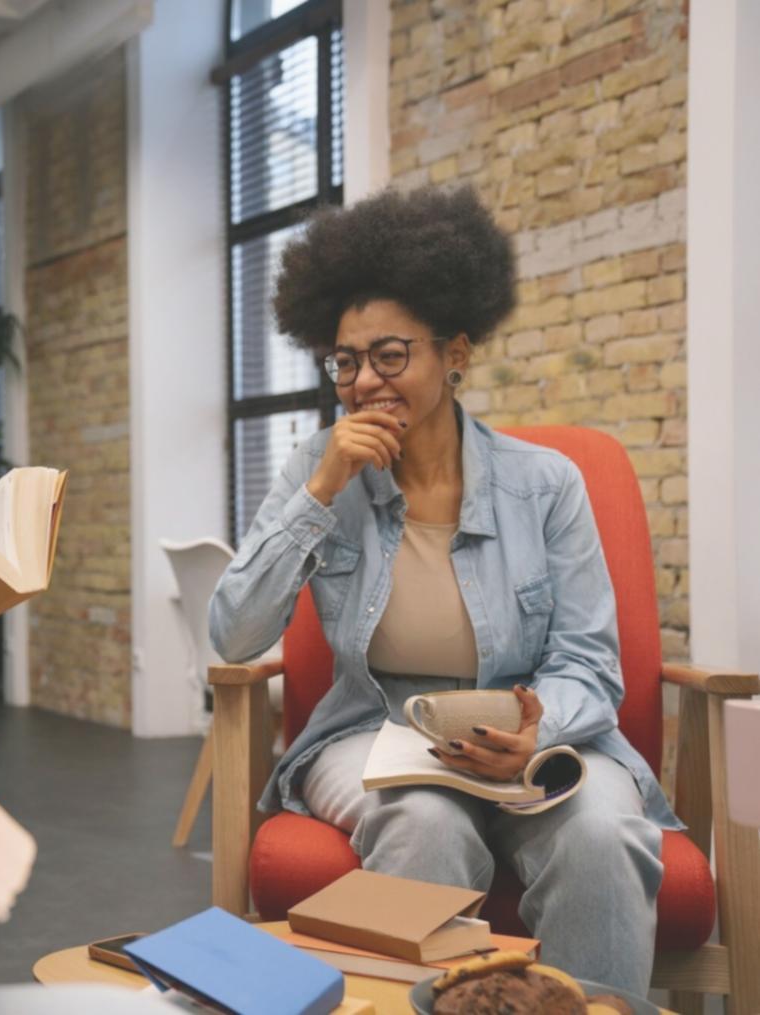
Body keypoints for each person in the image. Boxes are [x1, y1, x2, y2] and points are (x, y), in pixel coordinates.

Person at [208, 185, 673, 994]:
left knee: (600, 830)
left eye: (392, 355)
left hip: (539, 735)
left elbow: (590, 662)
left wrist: (541, 727)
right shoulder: (320, 470)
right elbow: (233, 634)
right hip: (374, 733)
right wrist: (320, 491)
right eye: (345, 362)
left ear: (455, 354)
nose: (364, 382)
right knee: (423, 816)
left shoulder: (547, 484)